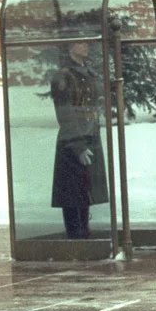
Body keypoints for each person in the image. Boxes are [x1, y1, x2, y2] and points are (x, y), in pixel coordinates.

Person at [50, 40, 108, 239]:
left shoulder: (87, 74)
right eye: (80, 43)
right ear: (71, 48)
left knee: (84, 190)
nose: (86, 46)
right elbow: (65, 114)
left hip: (89, 136)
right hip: (72, 141)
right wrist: (78, 146)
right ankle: (76, 237)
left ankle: (84, 234)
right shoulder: (64, 76)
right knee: (72, 193)